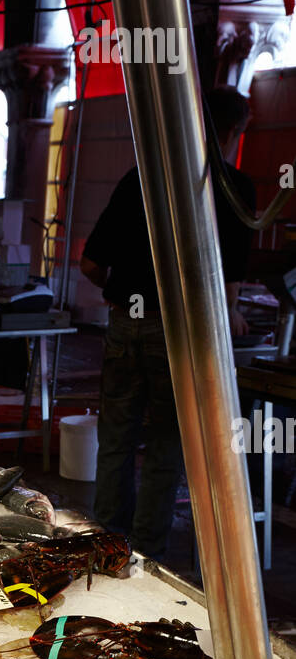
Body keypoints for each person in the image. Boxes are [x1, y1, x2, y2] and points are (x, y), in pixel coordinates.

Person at [79, 85, 255, 560]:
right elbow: (230, 280)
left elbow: (90, 263)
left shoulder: (141, 179)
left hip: (124, 325)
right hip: (179, 335)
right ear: (235, 130)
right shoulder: (235, 188)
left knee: (115, 441)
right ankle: (146, 555)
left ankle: (104, 546)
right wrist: (232, 311)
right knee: (163, 447)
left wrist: (121, 294)